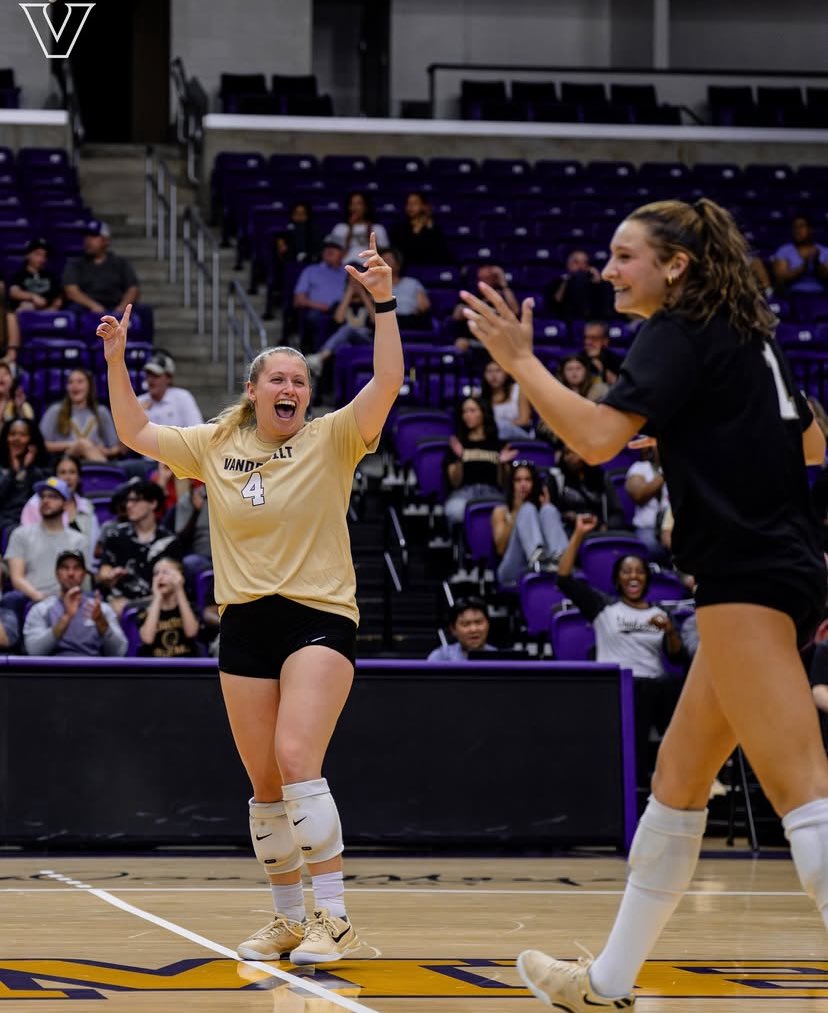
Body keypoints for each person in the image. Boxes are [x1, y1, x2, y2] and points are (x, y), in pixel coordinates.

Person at [460, 196, 828, 1010]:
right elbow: (813, 441)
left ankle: (606, 979)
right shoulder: (747, 335)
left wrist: (522, 363)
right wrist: (702, 431)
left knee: (805, 796)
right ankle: (604, 982)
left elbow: (595, 440)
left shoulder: (679, 329)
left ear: (676, 266)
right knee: (678, 780)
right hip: (782, 567)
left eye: (625, 256)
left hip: (746, 572)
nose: (609, 268)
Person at [95, 231, 402, 965]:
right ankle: (289, 918)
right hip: (245, 621)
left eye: (300, 379)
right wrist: (114, 358)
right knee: (265, 783)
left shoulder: (333, 438)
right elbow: (134, 430)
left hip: (319, 615)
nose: (292, 388)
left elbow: (387, 383)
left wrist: (383, 304)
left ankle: (336, 918)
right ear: (254, 391)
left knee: (298, 756)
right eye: (279, 379)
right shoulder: (214, 445)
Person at [557, 513, 686, 784]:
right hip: (619, 687)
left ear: (647, 579)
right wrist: (579, 534)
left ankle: (689, 773)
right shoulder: (604, 608)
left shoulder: (660, 613)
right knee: (642, 693)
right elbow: (564, 578)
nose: (634, 576)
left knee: (672, 685)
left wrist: (670, 631)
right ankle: (638, 782)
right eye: (627, 572)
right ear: (617, 580)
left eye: (639, 571)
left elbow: (677, 655)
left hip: (654, 689)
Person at [305, 248, 430, 376]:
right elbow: (338, 320)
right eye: (352, 280)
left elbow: (376, 321)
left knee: (348, 330)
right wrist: (350, 292)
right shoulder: (344, 301)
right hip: (351, 341)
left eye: (358, 281)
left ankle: (320, 358)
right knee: (345, 341)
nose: (355, 283)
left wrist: (363, 294)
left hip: (372, 338)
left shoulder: (373, 297)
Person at [97, 479, 180, 616]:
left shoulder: (169, 541)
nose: (129, 505)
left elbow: (174, 583)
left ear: (153, 503)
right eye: (128, 501)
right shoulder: (116, 535)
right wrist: (109, 576)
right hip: (119, 604)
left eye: (135, 501)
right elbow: (103, 571)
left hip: (157, 604)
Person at [23, 548, 126, 657]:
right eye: (65, 568)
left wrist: (101, 623)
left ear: (84, 574)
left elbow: (119, 653)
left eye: (76, 568)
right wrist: (66, 617)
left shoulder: (102, 609)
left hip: (92, 670)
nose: (71, 573)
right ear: (57, 574)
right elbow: (34, 651)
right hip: (54, 670)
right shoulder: (41, 609)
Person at [4, 477, 87, 606]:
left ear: (65, 504)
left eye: (53, 497)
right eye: (43, 497)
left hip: (66, 600)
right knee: (10, 601)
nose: (46, 501)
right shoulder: (21, 534)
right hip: (29, 599)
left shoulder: (78, 540)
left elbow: (79, 579)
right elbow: (17, 578)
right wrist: (40, 598)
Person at [491, 461, 568, 585]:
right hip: (512, 569)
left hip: (549, 566)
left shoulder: (541, 509)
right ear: (512, 484)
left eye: (528, 480)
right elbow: (500, 549)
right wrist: (516, 511)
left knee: (549, 510)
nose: (523, 484)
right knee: (527, 509)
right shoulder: (500, 511)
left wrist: (547, 507)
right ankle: (537, 559)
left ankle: (562, 559)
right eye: (518, 480)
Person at [444, 395, 513, 527]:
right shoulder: (458, 444)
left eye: (472, 410)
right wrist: (460, 458)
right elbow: (455, 482)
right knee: (455, 512)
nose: (467, 415)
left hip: (493, 492)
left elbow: (504, 483)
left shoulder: (498, 445)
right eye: (464, 411)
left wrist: (502, 464)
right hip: (464, 493)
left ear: (483, 413)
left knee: (506, 515)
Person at [20, 452, 100, 565]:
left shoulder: (87, 506)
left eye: (72, 472)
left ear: (79, 477)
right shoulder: (36, 504)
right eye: (62, 472)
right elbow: (28, 542)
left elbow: (92, 547)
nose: (67, 477)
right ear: (55, 476)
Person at [39, 368, 122, 462]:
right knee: (82, 444)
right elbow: (42, 444)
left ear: (89, 386)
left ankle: (105, 468)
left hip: (94, 459)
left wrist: (106, 452)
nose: (75, 386)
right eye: (70, 382)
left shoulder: (101, 412)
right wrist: (73, 444)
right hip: (66, 463)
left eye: (80, 381)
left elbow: (115, 447)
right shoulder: (55, 411)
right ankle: (109, 470)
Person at [4, 237, 63, 365]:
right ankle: (14, 353)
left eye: (44, 255)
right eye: (37, 254)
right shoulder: (19, 275)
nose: (41, 259)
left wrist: (49, 309)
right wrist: (32, 297)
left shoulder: (50, 276)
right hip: (25, 315)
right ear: (28, 255)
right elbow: (14, 292)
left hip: (47, 314)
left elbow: (58, 298)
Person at [63, 220, 140, 315]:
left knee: (143, 311)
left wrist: (121, 308)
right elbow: (71, 291)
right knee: (72, 311)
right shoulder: (75, 264)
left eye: (94, 236)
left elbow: (133, 289)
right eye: (86, 236)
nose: (88, 240)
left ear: (106, 240)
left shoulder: (120, 263)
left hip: (115, 305)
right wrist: (94, 306)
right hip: (87, 307)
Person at [547, 445, 626, 533]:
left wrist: (606, 527)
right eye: (565, 453)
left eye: (572, 452)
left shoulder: (601, 478)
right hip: (569, 533)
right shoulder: (557, 478)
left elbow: (617, 513)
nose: (568, 457)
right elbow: (549, 514)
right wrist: (566, 516)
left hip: (598, 531)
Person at [137, 557, 200, 658]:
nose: (160, 577)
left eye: (166, 572)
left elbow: (191, 633)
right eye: (156, 573)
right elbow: (147, 639)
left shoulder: (189, 607)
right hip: (154, 668)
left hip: (186, 667)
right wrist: (157, 597)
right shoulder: (144, 609)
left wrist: (179, 589)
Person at [292, 236, 347, 350]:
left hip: (345, 309)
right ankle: (313, 354)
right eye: (327, 247)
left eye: (334, 248)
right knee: (314, 317)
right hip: (319, 311)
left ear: (343, 253)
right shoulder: (311, 270)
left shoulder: (348, 272)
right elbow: (298, 300)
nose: (329, 250)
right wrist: (320, 306)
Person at [0, 417, 49, 535]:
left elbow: (43, 496)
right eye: (12, 434)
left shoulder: (42, 468)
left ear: (31, 440)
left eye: (23, 435)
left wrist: (28, 468)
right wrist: (13, 472)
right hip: (5, 523)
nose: (17, 439)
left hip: (35, 520)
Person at [625, 446, 671, 560]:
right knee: (651, 548)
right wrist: (665, 473)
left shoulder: (681, 469)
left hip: (673, 526)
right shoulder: (640, 468)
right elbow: (638, 495)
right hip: (648, 527)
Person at [137, 353, 204, 429]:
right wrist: (137, 417)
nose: (151, 380)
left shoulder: (182, 398)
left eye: (156, 375)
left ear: (169, 378)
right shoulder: (139, 402)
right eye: (148, 375)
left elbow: (197, 431)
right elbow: (123, 440)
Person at [545, 250, 615, 321]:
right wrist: (566, 282)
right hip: (568, 319)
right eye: (576, 262)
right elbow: (554, 304)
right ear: (568, 264)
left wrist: (598, 282)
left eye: (585, 262)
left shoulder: (596, 283)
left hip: (593, 321)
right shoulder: (559, 282)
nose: (581, 266)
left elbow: (605, 308)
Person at [390, 190, 452, 266]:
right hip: (407, 269)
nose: (410, 206)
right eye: (408, 203)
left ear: (424, 206)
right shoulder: (399, 228)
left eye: (415, 203)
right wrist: (417, 230)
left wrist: (429, 228)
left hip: (431, 269)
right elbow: (403, 253)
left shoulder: (434, 228)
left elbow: (441, 253)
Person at [426, 597, 496, 661]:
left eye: (478, 622)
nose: (473, 629)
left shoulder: (498, 658)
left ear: (488, 624)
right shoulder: (440, 658)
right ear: (453, 629)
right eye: (466, 624)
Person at [772, 215, 828, 295]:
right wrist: (803, 267)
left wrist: (817, 264)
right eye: (795, 227)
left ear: (810, 230)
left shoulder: (825, 251)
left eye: (801, 226)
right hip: (793, 297)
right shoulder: (784, 250)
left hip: (821, 296)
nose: (797, 231)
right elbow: (780, 278)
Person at [329, 190, 389, 264]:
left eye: (359, 204)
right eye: (352, 204)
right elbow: (333, 254)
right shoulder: (340, 228)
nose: (354, 207)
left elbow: (384, 255)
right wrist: (350, 230)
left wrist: (369, 230)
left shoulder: (378, 228)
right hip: (344, 267)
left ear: (366, 207)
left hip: (370, 267)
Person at [480, 359, 531, 440]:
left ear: (506, 373)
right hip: (491, 436)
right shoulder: (480, 395)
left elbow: (524, 420)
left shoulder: (518, 390)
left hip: (518, 435)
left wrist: (503, 426)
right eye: (489, 371)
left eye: (498, 370)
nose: (493, 375)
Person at [582, 320, 622, 386]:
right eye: (586, 337)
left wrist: (599, 365)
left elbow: (619, 386)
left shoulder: (616, 360)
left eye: (593, 338)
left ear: (605, 341)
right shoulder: (576, 357)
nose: (587, 342)